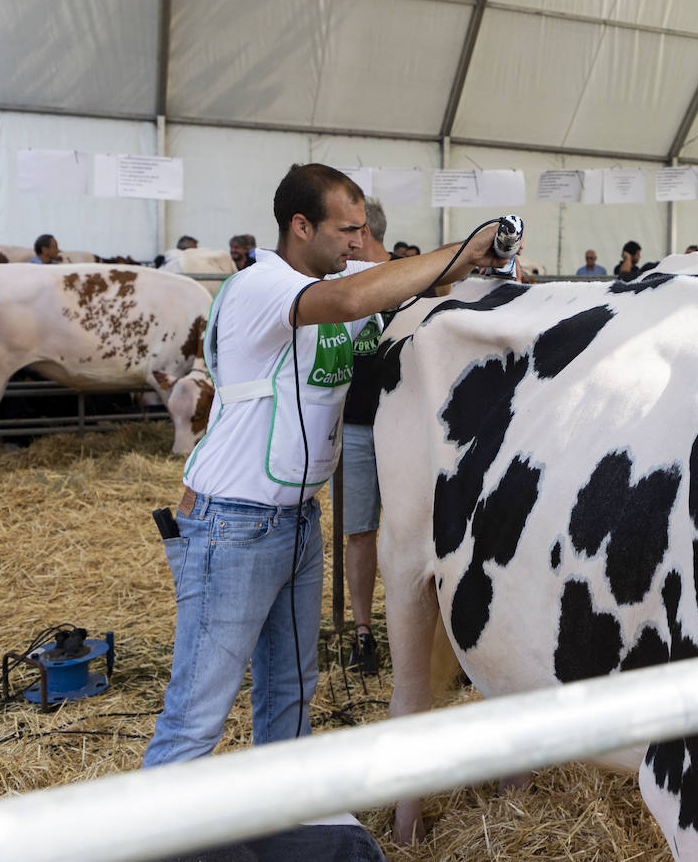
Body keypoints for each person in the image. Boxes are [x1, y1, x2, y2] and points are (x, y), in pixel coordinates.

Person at [143, 163, 512, 767]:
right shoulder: (262, 286)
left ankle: (285, 823)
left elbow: (406, 282)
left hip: (295, 520)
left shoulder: (345, 273)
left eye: (362, 229)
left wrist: (479, 262)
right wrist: (462, 247)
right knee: (197, 715)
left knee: (291, 693)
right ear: (299, 226)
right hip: (231, 523)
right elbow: (351, 298)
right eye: (345, 229)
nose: (356, 242)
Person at [332, 197, 391, 675]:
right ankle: (363, 632)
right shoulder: (336, 286)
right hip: (353, 426)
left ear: (363, 231)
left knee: (424, 528)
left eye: (346, 231)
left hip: (404, 427)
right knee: (359, 531)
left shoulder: (410, 281)